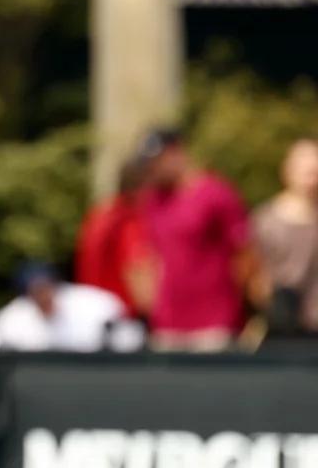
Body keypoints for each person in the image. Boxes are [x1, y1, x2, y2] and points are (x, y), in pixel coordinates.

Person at [136, 129, 258, 351]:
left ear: (176, 153)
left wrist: (243, 306)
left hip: (214, 325)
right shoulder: (153, 201)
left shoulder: (215, 193)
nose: (151, 169)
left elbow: (244, 253)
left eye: (157, 161)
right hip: (167, 326)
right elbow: (150, 256)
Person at [0, 262, 142, 352]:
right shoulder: (10, 321)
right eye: (36, 291)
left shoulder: (94, 304)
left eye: (47, 288)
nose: (44, 295)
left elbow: (129, 339)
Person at [74, 159, 156, 318]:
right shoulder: (130, 222)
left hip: (93, 312)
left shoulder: (100, 215)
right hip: (124, 318)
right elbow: (138, 272)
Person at [252, 138, 318, 335]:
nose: (312, 179)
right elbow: (254, 277)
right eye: (307, 172)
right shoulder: (265, 221)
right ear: (288, 171)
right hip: (283, 330)